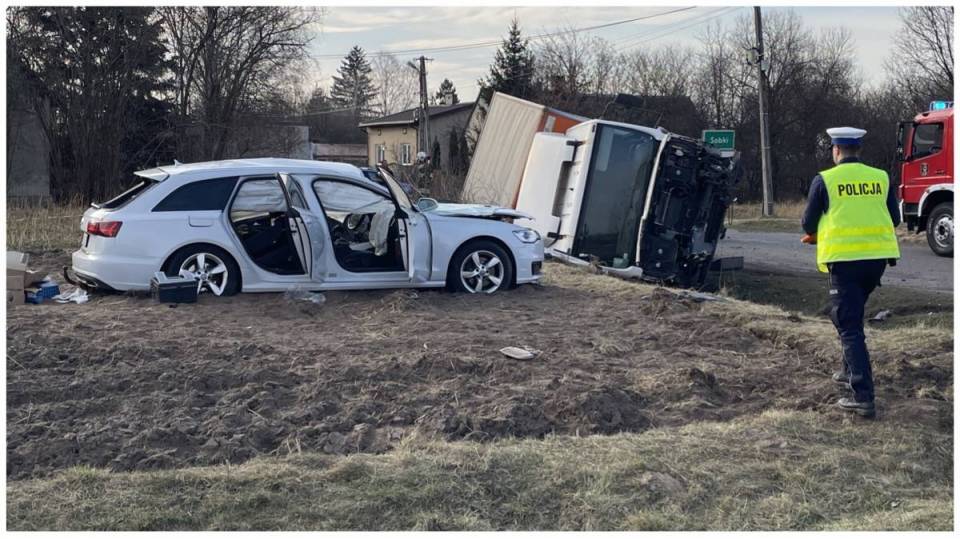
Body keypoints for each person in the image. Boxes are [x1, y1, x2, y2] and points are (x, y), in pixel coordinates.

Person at [800, 126, 901, 418]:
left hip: (844, 262)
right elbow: (893, 218)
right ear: (859, 150)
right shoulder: (880, 178)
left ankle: (862, 396)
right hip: (876, 262)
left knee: (848, 324)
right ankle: (848, 370)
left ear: (835, 151)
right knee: (850, 317)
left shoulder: (825, 180)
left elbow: (808, 224)